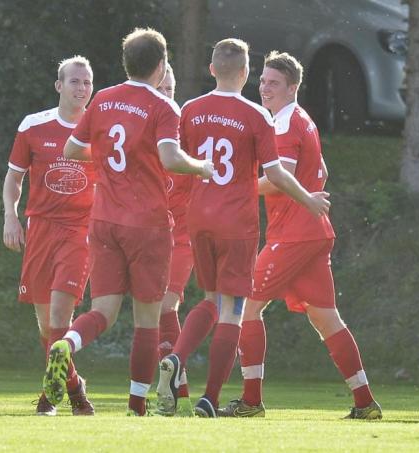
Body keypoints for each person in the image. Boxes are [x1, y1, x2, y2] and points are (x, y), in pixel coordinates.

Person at [43, 28, 214, 416]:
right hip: (147, 225)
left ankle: (66, 345)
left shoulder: (102, 99)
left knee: (102, 311)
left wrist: (105, 157)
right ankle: (136, 405)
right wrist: (200, 166)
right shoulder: (163, 107)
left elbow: (71, 148)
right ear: (162, 65)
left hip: (103, 220)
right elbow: (171, 158)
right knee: (147, 320)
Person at [156, 39, 330, 418]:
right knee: (232, 309)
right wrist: (309, 200)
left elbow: (174, 159)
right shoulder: (257, 116)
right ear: (247, 73)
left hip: (198, 218)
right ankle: (210, 399)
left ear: (212, 69)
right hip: (236, 223)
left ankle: (176, 358)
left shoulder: (191, 109)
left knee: (209, 299)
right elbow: (277, 174)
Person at [216, 51, 381, 420]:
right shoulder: (301, 119)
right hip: (311, 233)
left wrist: (233, 188)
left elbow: (279, 176)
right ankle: (365, 403)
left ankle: (251, 401)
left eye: (273, 83)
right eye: (262, 81)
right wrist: (309, 192)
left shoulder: (285, 124)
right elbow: (320, 168)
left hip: (293, 236)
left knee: (246, 309)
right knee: (326, 319)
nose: (264, 88)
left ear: (293, 87)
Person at [3, 56, 96, 416]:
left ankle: (52, 396)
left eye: (87, 82)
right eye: (74, 81)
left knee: (61, 310)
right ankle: (73, 386)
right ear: (59, 86)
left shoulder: (99, 128)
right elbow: (13, 178)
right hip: (40, 228)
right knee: (46, 323)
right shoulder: (33, 126)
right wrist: (10, 218)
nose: (82, 88)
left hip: (80, 231)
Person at [155, 63, 192, 403]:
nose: (164, 95)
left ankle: (175, 384)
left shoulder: (185, 130)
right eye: (159, 88)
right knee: (158, 310)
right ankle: (177, 391)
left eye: (169, 90)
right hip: (149, 236)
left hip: (182, 237)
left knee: (165, 305)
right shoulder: (142, 128)